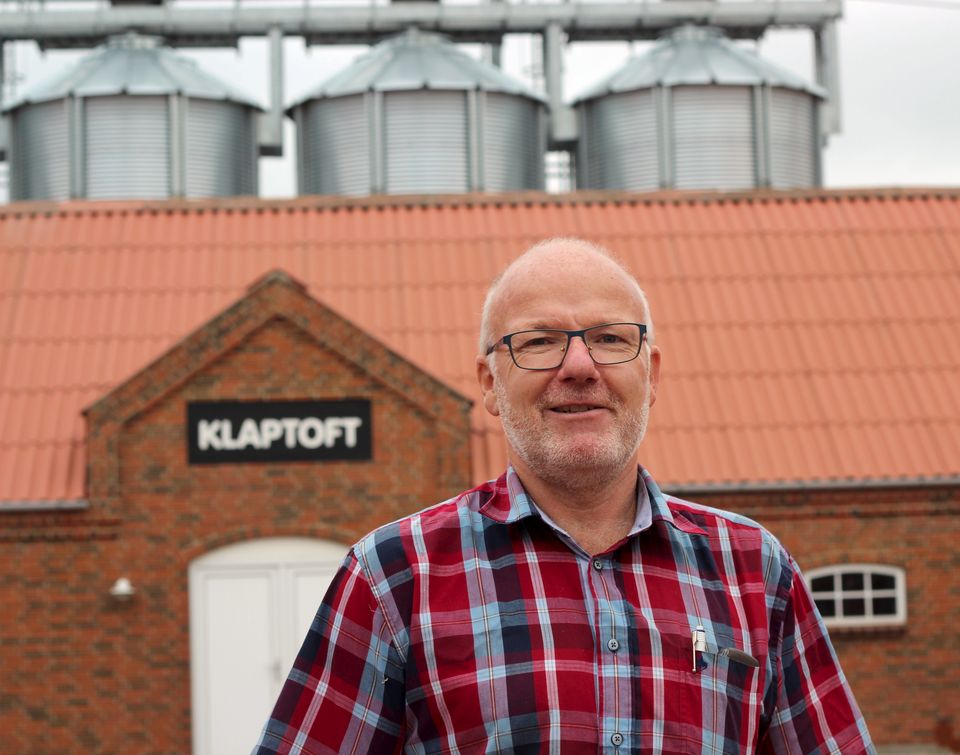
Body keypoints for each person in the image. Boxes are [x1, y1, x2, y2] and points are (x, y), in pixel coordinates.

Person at [254, 238, 874, 753]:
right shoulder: (395, 577)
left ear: (652, 374)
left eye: (610, 339)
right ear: (489, 383)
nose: (579, 366)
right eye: (539, 342)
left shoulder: (755, 571)